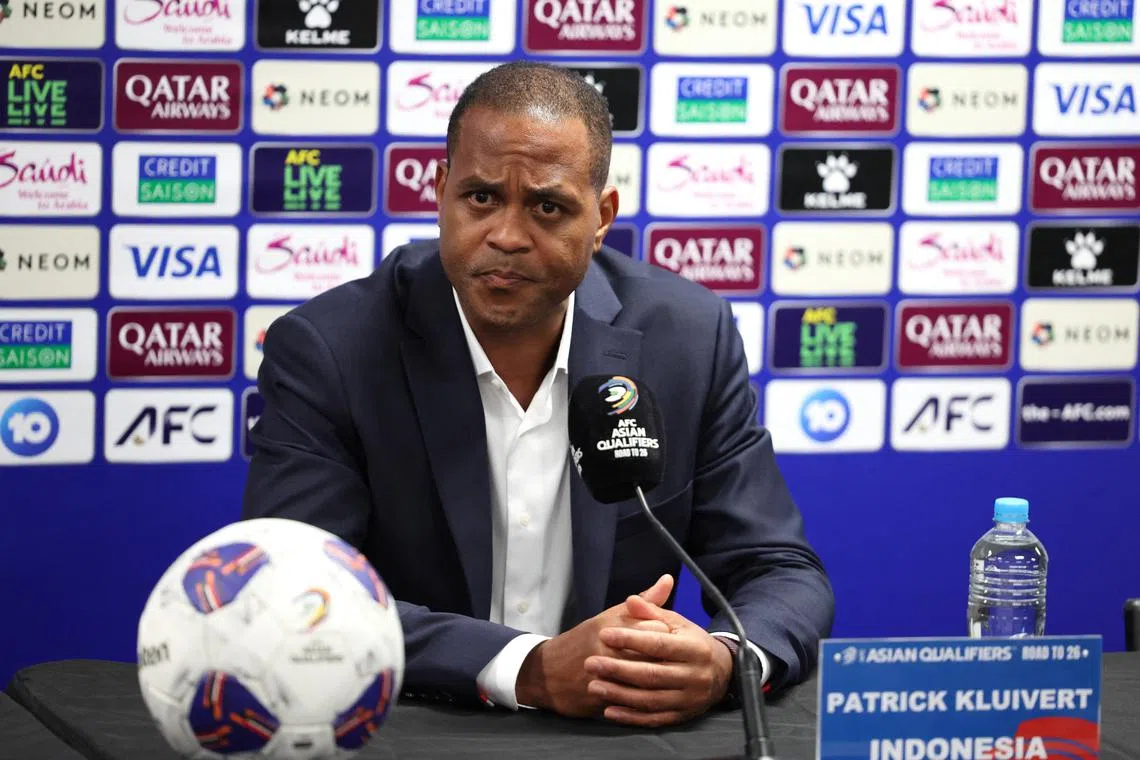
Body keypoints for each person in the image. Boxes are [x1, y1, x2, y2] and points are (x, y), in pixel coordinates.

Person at [243, 61, 834, 728]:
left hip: (613, 739)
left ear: (602, 216)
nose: (507, 235)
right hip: (414, 730)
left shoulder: (687, 339)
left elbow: (777, 568)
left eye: (547, 207)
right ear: (441, 192)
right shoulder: (333, 350)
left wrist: (728, 659)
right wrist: (527, 668)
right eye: (481, 198)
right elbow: (295, 594)